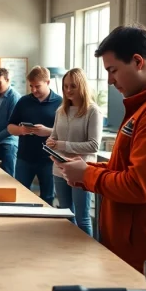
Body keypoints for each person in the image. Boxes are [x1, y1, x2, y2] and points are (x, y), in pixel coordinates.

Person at [54, 25, 146, 273]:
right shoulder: (145, 105)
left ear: (138, 61)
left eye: (113, 71)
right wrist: (86, 168)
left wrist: (87, 175)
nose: (110, 80)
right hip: (130, 238)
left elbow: (138, 186)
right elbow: (125, 168)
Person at [45, 68, 102, 236]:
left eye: (73, 86)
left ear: (82, 87)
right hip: (59, 169)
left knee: (82, 218)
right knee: (65, 214)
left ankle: (87, 256)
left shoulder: (93, 111)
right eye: (65, 86)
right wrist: (51, 143)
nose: (68, 90)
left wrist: (62, 145)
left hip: (81, 171)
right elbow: (54, 136)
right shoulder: (60, 111)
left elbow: (93, 145)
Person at [7, 66, 63, 206]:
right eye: (31, 86)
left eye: (37, 86)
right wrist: (21, 130)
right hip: (24, 158)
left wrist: (48, 131)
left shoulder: (61, 103)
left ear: (48, 82)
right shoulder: (23, 101)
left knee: (48, 198)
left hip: (49, 159)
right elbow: (10, 127)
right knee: (20, 196)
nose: (33, 90)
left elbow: (66, 132)